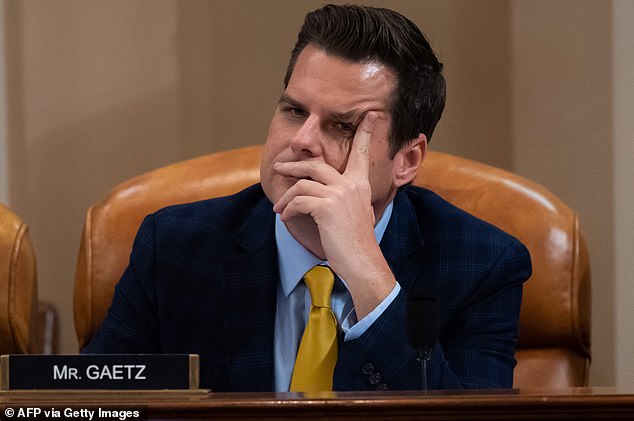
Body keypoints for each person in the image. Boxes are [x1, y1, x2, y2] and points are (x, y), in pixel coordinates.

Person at [84, 4, 531, 392]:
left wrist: (365, 270)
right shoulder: (176, 248)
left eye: (342, 127)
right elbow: (90, 407)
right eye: (294, 110)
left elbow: (466, 419)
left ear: (407, 160)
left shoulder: (481, 265)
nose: (301, 140)